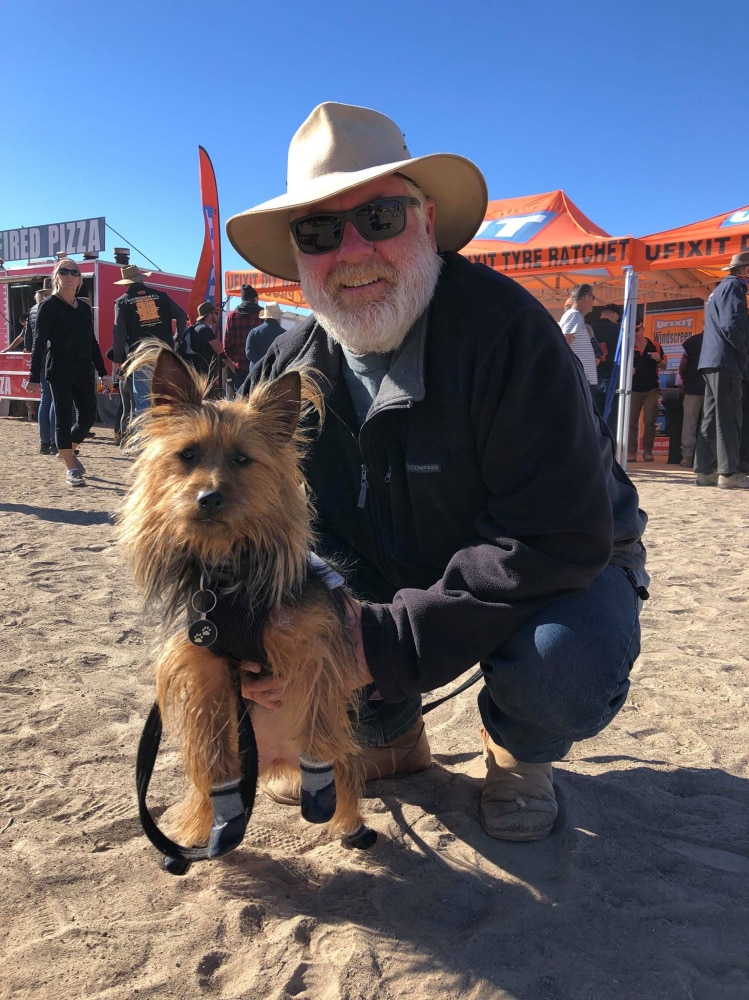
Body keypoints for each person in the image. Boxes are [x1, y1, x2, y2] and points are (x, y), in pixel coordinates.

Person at [226, 101, 648, 843]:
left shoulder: (507, 333)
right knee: (267, 629)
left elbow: (554, 539)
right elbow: (248, 529)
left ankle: (519, 750)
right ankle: (387, 735)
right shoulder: (280, 365)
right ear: (297, 255)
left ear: (423, 220)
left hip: (557, 566)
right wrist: (250, 643)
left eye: (379, 218)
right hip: (380, 571)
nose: (351, 250)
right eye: (319, 231)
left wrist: (374, 645)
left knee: (562, 668)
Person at [26, 258, 112, 487]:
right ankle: (71, 469)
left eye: (74, 272)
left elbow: (92, 342)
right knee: (63, 417)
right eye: (64, 271)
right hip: (59, 370)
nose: (69, 275)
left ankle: (67, 451)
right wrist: (33, 377)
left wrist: (103, 373)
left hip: (84, 369)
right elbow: (38, 342)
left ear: (79, 279)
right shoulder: (48, 306)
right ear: (57, 277)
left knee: (86, 417)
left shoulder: (84, 308)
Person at [694, 253, 749, 489]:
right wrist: (744, 353)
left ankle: (705, 471)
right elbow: (733, 324)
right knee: (729, 417)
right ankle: (728, 473)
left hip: (711, 359)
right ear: (746, 270)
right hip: (726, 360)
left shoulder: (718, 289)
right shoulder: (735, 287)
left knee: (710, 416)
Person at [112, 265, 187, 414]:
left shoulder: (122, 302)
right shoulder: (161, 296)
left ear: (126, 283)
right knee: (167, 400)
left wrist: (119, 360)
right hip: (165, 354)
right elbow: (182, 315)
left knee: (143, 404)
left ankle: (145, 437)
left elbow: (119, 333)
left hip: (141, 356)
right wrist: (177, 338)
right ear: (141, 279)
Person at [628, 321, 666, 462]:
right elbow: (618, 365)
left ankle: (648, 451)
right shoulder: (627, 346)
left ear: (643, 329)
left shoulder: (654, 345)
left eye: (637, 329)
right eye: (632, 330)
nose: (635, 333)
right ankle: (631, 452)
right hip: (633, 389)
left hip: (651, 389)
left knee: (650, 420)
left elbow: (664, 366)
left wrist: (658, 359)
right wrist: (627, 371)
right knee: (631, 422)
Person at [26, 279, 57, 453]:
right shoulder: (53, 308)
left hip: (39, 359)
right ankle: (54, 441)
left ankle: (44, 442)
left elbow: (29, 341)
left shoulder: (32, 310)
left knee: (45, 399)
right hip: (53, 358)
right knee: (55, 400)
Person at [559, 285, 599, 394]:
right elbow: (565, 342)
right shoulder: (575, 315)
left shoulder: (575, 316)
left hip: (579, 376)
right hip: (578, 377)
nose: (593, 302)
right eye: (593, 297)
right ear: (586, 297)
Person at [223, 284, 262, 392]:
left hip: (239, 367)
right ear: (255, 299)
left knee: (240, 402)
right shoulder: (262, 314)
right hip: (259, 366)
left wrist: (235, 362)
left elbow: (226, 345)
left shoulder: (232, 316)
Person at [592, 304, 622, 432]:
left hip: (593, 376)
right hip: (612, 376)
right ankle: (609, 446)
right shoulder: (619, 330)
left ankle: (594, 444)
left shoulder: (590, 329)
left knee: (593, 413)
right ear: (614, 314)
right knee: (611, 416)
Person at [678, 332, 705, 468]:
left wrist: (684, 380)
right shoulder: (720, 339)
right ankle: (709, 457)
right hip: (712, 388)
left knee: (689, 422)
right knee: (711, 423)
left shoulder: (691, 342)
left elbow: (683, 366)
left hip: (692, 386)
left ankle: (687, 457)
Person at [184, 301, 225, 390]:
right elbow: (220, 349)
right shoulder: (204, 330)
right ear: (209, 314)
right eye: (216, 313)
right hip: (205, 374)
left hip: (196, 372)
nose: (217, 315)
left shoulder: (196, 327)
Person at [245, 301, 286, 373]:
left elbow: (249, 352)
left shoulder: (253, 332)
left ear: (265, 317)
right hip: (276, 373)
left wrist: (261, 364)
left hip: (256, 372)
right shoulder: (285, 334)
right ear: (278, 317)